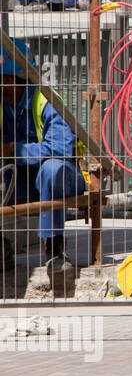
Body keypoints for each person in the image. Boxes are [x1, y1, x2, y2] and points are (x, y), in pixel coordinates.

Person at [0, 38, 84, 291]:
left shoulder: (46, 100)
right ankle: (2, 247)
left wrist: (14, 150)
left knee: (52, 168)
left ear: (14, 79)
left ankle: (55, 253)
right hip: (19, 181)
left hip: (61, 179)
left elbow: (59, 148)